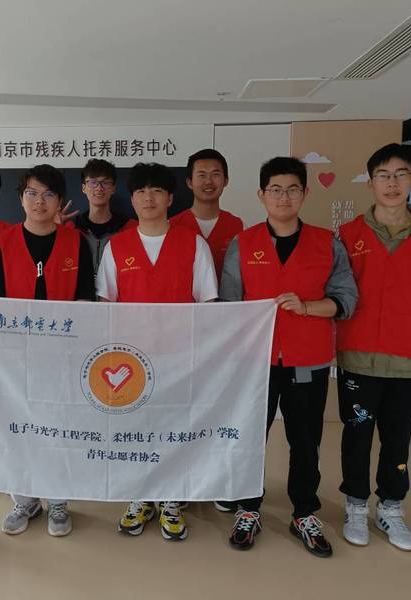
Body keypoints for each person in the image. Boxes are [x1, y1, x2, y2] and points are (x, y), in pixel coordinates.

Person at [219, 156, 357, 557]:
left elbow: (346, 299)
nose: (284, 197)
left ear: (305, 193)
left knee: (305, 440)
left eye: (292, 189)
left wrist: (308, 307)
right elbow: (229, 305)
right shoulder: (244, 243)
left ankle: (304, 512)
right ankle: (248, 508)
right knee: (250, 438)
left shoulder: (327, 243)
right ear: (261, 194)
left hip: (307, 359)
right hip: (256, 363)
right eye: (275, 190)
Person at [96, 162, 218, 541]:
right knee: (135, 430)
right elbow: (104, 305)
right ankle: (140, 495)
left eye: (156, 190)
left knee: (174, 428)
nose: (148, 198)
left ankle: (171, 498)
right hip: (130, 362)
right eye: (140, 191)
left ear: (170, 198)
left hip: (181, 359)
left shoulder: (193, 244)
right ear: (132, 199)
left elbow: (208, 305)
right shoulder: (117, 246)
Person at [336, 143, 411, 552]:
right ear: (371, 183)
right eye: (383, 175)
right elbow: (342, 292)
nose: (392, 183)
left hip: (407, 356)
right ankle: (355, 505)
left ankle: (391, 507)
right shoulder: (348, 235)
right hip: (358, 353)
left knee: (398, 438)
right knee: (357, 435)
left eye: (400, 174)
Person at [0, 164, 95, 537]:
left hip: (62, 357)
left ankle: (58, 501)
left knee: (60, 428)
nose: (39, 201)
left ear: (60, 201)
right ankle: (24, 499)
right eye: (31, 193)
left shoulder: (77, 243)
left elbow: (86, 298)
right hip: (14, 359)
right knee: (18, 427)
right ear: (21, 198)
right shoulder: (2, 242)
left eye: (48, 194)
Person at [170, 148, 243, 283]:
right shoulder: (171, 226)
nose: (208, 182)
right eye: (202, 175)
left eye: (215, 174)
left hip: (228, 296)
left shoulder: (240, 227)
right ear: (189, 182)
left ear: (226, 181)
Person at [67, 158, 137, 272]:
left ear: (113, 188)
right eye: (93, 182)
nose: (99, 188)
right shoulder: (71, 228)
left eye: (105, 183)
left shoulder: (131, 228)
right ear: (83, 188)